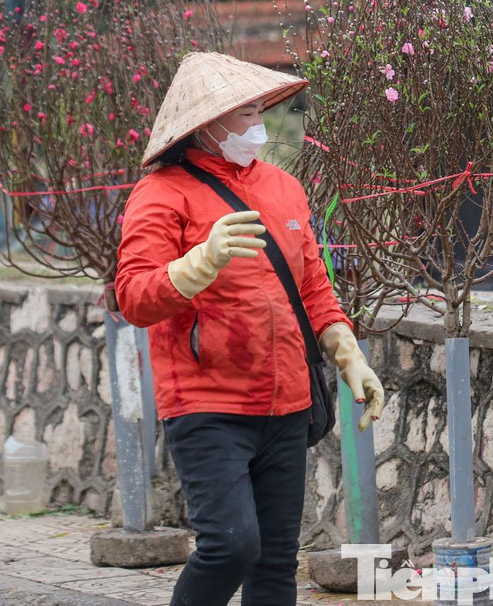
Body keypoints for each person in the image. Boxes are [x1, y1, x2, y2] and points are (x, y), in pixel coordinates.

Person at [116, 51, 385, 606]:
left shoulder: (285, 189)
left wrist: (349, 354)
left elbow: (313, 286)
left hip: (286, 404)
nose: (259, 123)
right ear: (205, 125)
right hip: (206, 403)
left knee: (275, 563)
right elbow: (134, 297)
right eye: (244, 113)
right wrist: (199, 262)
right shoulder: (161, 193)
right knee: (231, 546)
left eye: (261, 109)